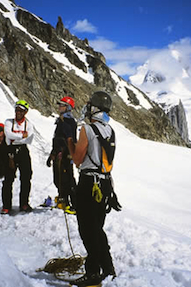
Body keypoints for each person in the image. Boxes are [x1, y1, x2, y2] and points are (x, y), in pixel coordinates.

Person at [67, 91, 121, 286]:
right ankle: (107, 267)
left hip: (89, 183)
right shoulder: (110, 130)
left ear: (95, 108)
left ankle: (93, 273)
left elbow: (77, 160)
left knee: (88, 230)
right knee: (97, 228)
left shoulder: (87, 130)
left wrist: (70, 144)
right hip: (105, 184)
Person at [1, 100, 34, 215]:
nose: (18, 112)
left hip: (23, 151)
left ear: (25, 112)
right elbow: (8, 134)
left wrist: (15, 137)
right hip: (10, 151)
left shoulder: (29, 124)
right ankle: (6, 206)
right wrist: (21, 135)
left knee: (26, 177)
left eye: (21, 110)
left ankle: (24, 203)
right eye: (17, 110)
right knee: (8, 179)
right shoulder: (9, 122)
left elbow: (29, 139)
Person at [46, 96, 77, 213]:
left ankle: (73, 204)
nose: (59, 106)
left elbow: (71, 139)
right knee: (58, 179)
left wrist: (68, 153)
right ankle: (63, 200)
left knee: (67, 179)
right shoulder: (61, 120)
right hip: (58, 153)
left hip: (65, 154)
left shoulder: (69, 122)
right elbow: (57, 139)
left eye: (62, 105)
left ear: (68, 107)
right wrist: (52, 153)